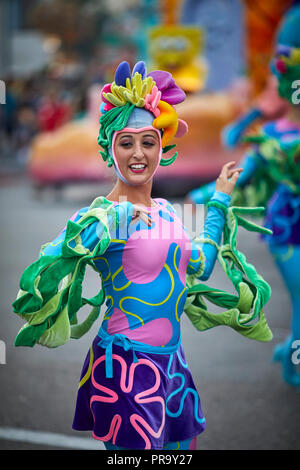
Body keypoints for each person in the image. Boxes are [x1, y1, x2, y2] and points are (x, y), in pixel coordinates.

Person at [12, 60, 273, 450]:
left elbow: (200, 264)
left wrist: (219, 200)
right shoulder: (98, 215)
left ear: (162, 148)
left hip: (173, 366)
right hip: (125, 366)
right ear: (109, 148)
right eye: (126, 142)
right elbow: (53, 260)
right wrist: (112, 219)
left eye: (148, 141)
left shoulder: (167, 211)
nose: (138, 153)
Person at [186, 6, 300, 388]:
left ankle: (290, 350)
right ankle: (294, 362)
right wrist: (206, 195)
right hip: (287, 227)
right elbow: (241, 170)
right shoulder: (272, 137)